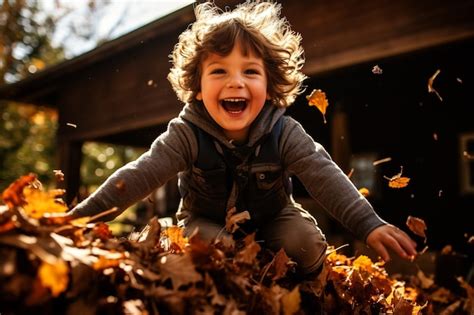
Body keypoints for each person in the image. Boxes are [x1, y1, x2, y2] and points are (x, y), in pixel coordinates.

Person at [69, 1, 417, 276]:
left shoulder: (284, 132)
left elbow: (325, 176)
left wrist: (368, 224)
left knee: (306, 242)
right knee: (212, 248)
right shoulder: (187, 133)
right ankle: (232, 292)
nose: (236, 82)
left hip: (274, 218)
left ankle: (307, 294)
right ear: (198, 87)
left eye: (250, 72)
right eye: (219, 71)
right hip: (206, 221)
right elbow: (139, 175)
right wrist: (81, 220)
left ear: (269, 87)